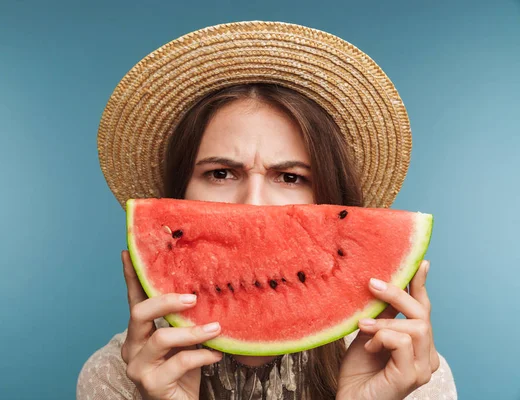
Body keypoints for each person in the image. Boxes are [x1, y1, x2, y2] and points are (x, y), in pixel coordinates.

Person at [78, 21, 457, 399]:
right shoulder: (116, 376)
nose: (254, 204)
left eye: (290, 177)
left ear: (332, 200)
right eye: (221, 173)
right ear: (178, 197)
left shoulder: (405, 374)